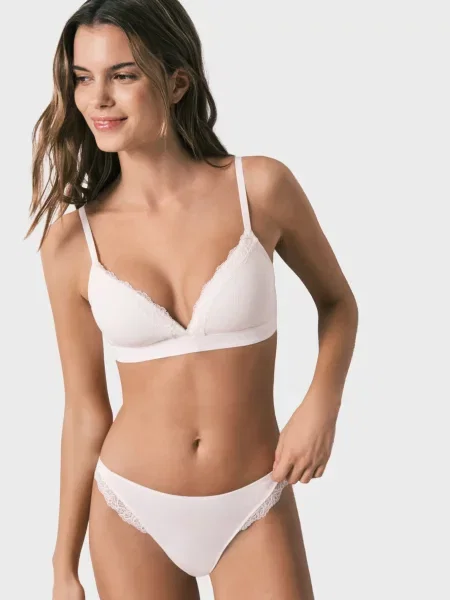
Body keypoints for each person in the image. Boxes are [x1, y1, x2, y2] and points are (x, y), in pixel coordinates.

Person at [26, 1, 358, 598]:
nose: (98, 98)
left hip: (255, 494)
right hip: (129, 506)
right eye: (83, 78)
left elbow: (338, 303)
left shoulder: (259, 188)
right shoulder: (72, 244)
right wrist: (62, 564)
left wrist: (321, 404)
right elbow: (85, 410)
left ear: (177, 83)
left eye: (123, 75)